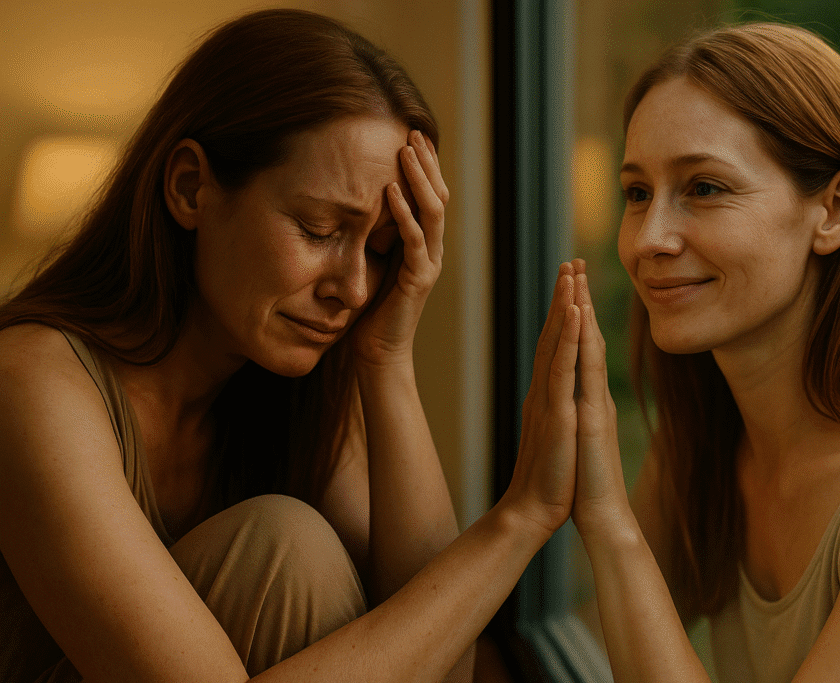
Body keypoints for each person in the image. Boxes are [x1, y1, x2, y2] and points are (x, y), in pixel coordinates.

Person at [0, 9, 586, 682]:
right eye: (318, 229)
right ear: (190, 187)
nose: (355, 289)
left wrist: (387, 359)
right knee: (285, 548)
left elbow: (444, 669)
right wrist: (520, 519)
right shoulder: (30, 382)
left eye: (381, 248)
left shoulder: (294, 395)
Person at [557, 22, 840, 682]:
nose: (648, 239)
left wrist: (610, 523)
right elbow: (579, 655)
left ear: (834, 211)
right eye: (637, 193)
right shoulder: (708, 443)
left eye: (704, 188)